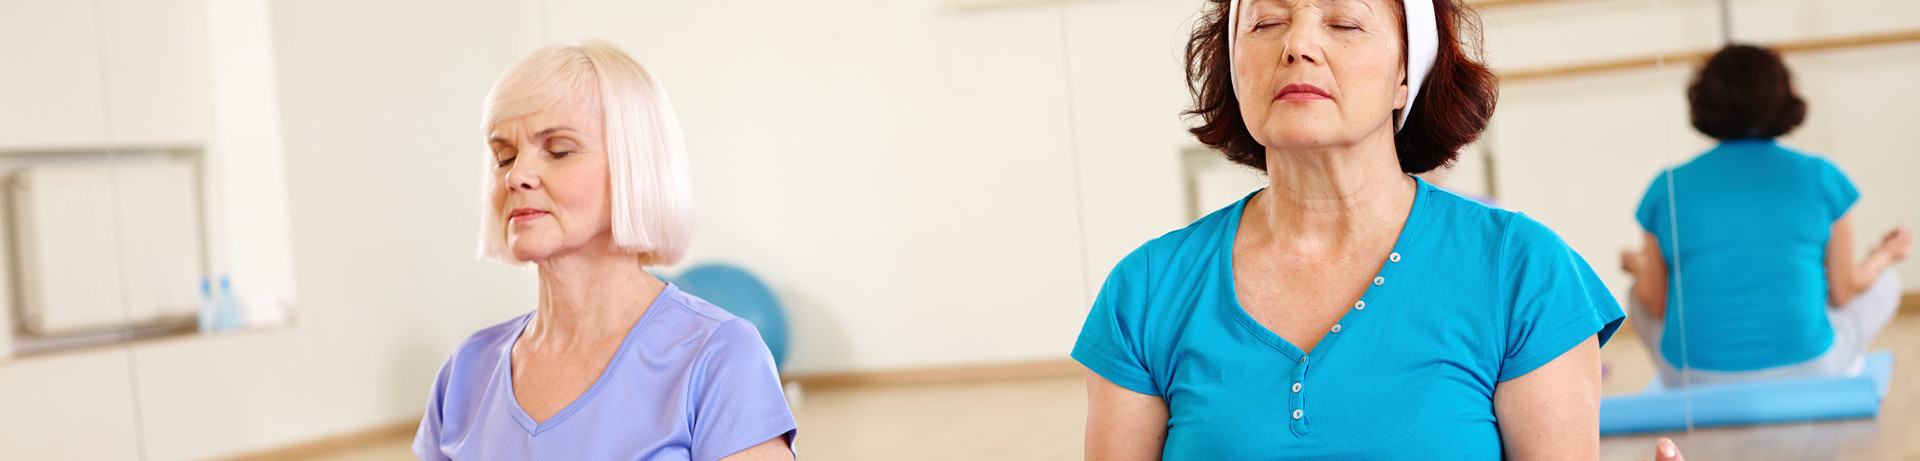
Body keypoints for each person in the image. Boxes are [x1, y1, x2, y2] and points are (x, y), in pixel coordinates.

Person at [1073, 0, 1629, 458]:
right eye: (1266, 23)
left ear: (1407, 73)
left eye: (1343, 24)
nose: (1298, 46)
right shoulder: (1146, 290)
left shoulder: (1521, 270)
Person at [412, 40, 797, 460]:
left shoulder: (720, 356)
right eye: (504, 157)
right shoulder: (465, 371)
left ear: (636, 167)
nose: (517, 175)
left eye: (558, 149)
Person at [1623, 44, 1911, 387]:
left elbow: (1655, 303)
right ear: (1783, 96)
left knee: (1633, 293)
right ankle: (1840, 366)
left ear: (1702, 102)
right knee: (1888, 281)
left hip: (1690, 378)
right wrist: (1885, 254)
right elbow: (1844, 290)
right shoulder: (1822, 177)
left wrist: (1637, 266)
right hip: (1811, 367)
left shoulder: (1665, 187)